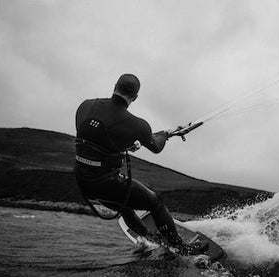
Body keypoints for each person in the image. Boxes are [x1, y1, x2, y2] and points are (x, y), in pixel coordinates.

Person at [74, 73, 207, 255]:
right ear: (135, 98)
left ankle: (148, 239)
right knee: (155, 202)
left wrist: (124, 144)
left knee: (125, 205)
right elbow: (156, 147)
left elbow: (93, 140)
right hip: (104, 183)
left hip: (82, 179)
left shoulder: (86, 105)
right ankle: (181, 247)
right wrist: (166, 134)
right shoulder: (137, 125)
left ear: (114, 87)